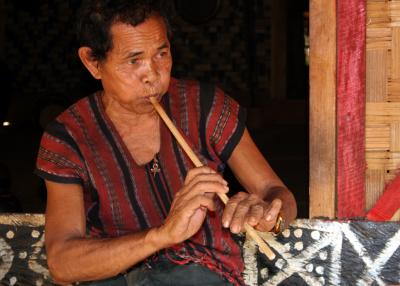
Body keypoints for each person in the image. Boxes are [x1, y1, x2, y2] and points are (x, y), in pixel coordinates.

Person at [35, 1, 297, 285]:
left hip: (202, 274)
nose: (153, 76)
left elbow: (277, 193)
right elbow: (62, 263)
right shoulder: (69, 136)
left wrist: (270, 214)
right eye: (134, 61)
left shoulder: (205, 107)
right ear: (93, 62)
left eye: (162, 53)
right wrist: (161, 235)